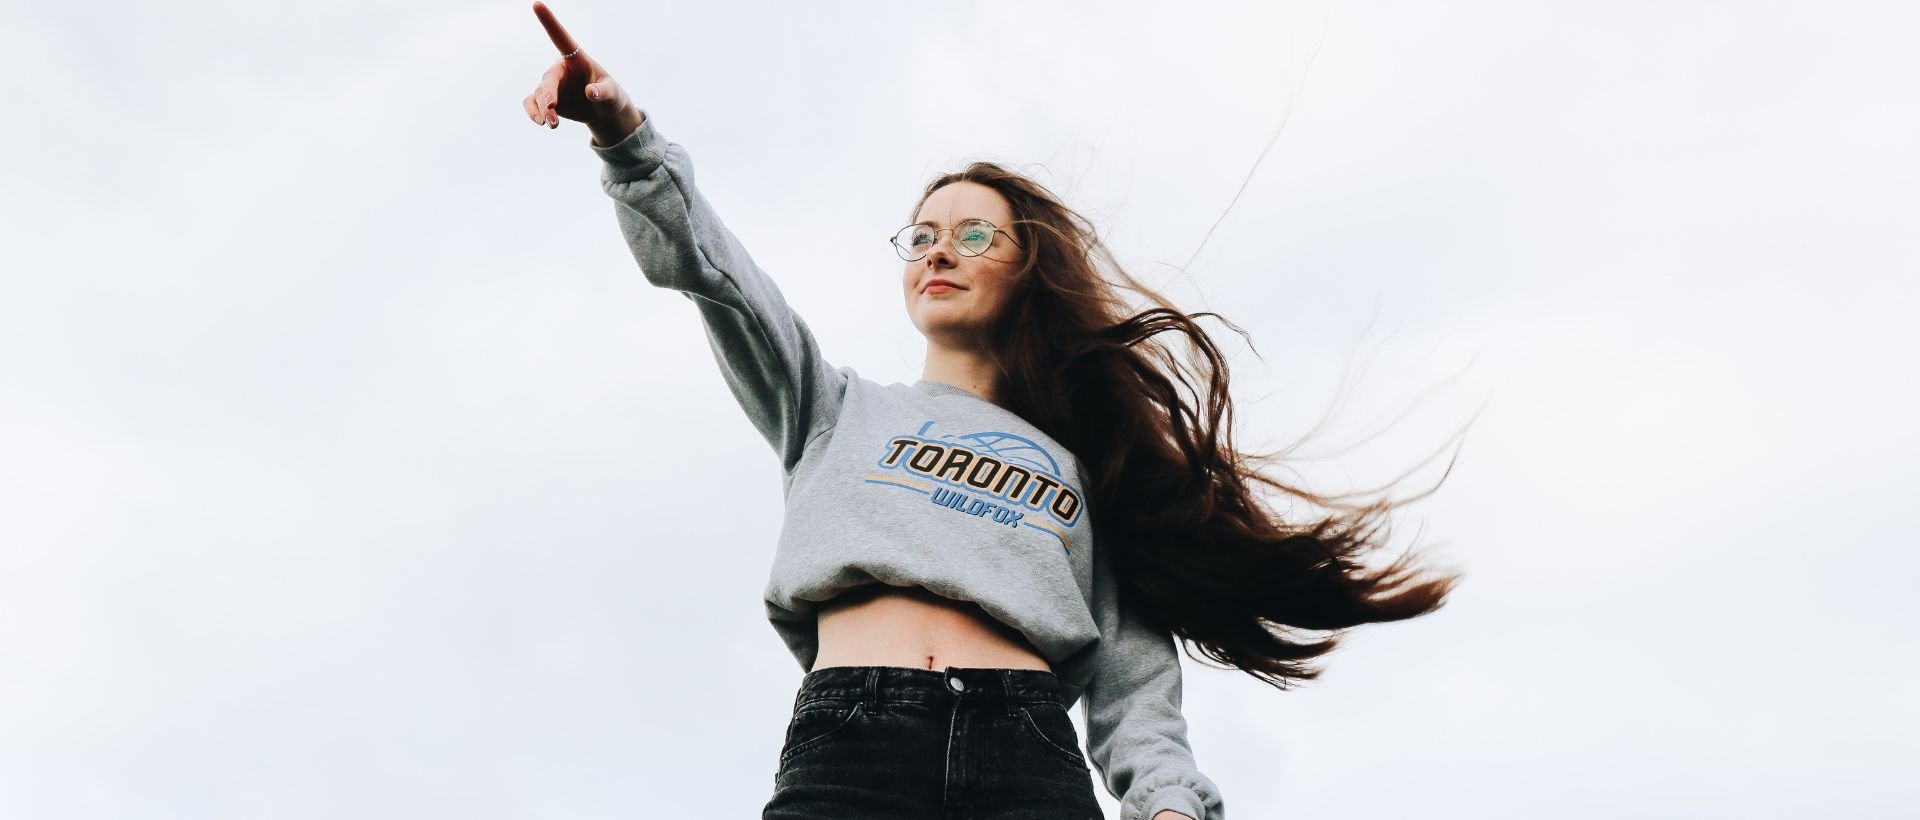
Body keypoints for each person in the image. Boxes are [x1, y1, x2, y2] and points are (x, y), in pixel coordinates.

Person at [520, 5, 1462, 818]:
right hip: (853, 744)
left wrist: (1167, 798)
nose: (939, 251)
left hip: (1027, 756)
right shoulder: (832, 405)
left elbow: (1136, 679)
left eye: (974, 234)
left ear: (1029, 266)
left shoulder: (1089, 467)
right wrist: (625, 136)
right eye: (921, 236)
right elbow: (719, 277)